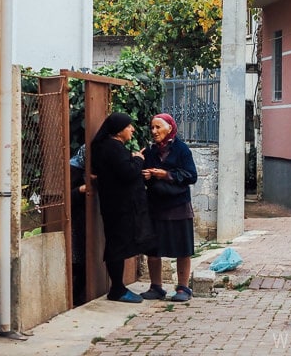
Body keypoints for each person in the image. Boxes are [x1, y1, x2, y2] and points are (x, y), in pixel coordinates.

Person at [90, 112, 156, 303]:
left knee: (117, 243)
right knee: (117, 245)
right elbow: (127, 173)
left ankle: (118, 287)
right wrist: (137, 159)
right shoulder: (113, 148)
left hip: (115, 205)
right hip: (119, 207)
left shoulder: (106, 147)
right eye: (129, 127)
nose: (132, 130)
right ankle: (117, 289)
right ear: (119, 131)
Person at [140, 114, 198, 302]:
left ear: (170, 128)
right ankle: (156, 287)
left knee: (183, 247)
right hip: (155, 205)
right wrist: (147, 174)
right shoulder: (150, 151)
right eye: (152, 128)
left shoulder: (181, 149)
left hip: (178, 205)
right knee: (153, 248)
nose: (154, 131)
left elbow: (191, 176)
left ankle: (183, 288)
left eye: (158, 127)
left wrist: (166, 174)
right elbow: (143, 172)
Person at [69, 145, 89, 306]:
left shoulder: (84, 170)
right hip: (74, 219)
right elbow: (65, 196)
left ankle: (79, 294)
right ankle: (75, 295)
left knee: (84, 256)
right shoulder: (72, 169)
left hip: (84, 217)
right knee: (77, 256)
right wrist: (80, 190)